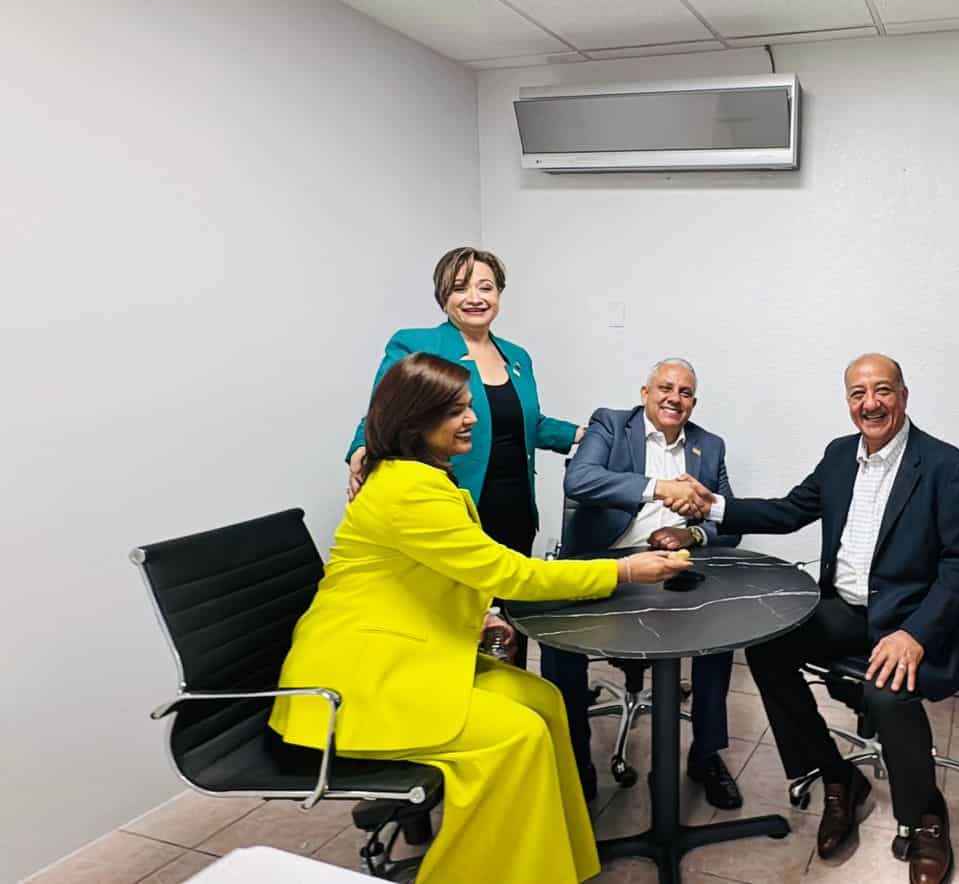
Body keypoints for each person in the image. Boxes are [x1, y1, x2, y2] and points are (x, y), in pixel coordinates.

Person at [270, 353, 688, 884]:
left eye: (469, 407)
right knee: (518, 736)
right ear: (414, 420)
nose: (471, 419)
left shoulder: (421, 478)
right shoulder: (407, 491)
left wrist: (483, 614)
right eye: (456, 411)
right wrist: (624, 570)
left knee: (544, 700)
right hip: (355, 682)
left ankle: (556, 869)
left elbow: (436, 572)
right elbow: (511, 574)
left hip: (405, 654)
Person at [685, 353, 959, 884]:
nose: (871, 403)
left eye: (883, 390)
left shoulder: (947, 466)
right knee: (767, 645)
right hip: (846, 610)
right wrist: (715, 507)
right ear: (848, 402)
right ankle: (838, 777)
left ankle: (926, 818)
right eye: (858, 393)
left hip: (911, 619)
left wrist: (915, 634)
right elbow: (789, 511)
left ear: (903, 396)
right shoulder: (839, 455)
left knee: (885, 693)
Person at [346, 247, 584, 667]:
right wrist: (361, 450)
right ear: (443, 296)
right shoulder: (418, 344)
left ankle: (510, 689)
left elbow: (527, 422)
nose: (475, 297)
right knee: (458, 628)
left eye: (485, 287)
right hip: (454, 505)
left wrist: (584, 434)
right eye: (460, 287)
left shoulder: (517, 357)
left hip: (514, 507)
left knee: (510, 616)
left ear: (499, 294)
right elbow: (385, 409)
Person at [541, 358, 744, 808]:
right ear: (645, 393)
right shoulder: (611, 426)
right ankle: (575, 761)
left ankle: (706, 755)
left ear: (694, 403)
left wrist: (692, 535)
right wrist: (659, 488)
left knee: (723, 630)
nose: (675, 398)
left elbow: (728, 523)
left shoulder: (709, 447)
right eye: (665, 388)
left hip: (674, 574)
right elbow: (579, 479)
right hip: (608, 569)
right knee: (556, 642)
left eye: (685, 392)